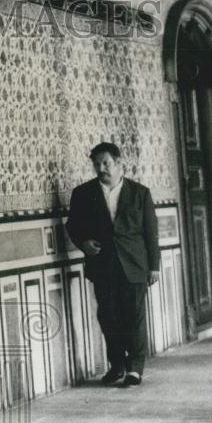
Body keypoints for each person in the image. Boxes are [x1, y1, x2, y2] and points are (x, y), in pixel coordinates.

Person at [65, 142, 160, 386]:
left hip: (135, 265)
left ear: (119, 164)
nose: (101, 168)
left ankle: (135, 369)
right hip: (103, 264)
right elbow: (72, 227)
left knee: (134, 317)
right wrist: (83, 243)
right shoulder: (83, 193)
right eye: (97, 164)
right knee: (108, 317)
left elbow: (151, 233)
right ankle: (117, 365)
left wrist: (154, 266)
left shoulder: (140, 193)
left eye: (106, 163)